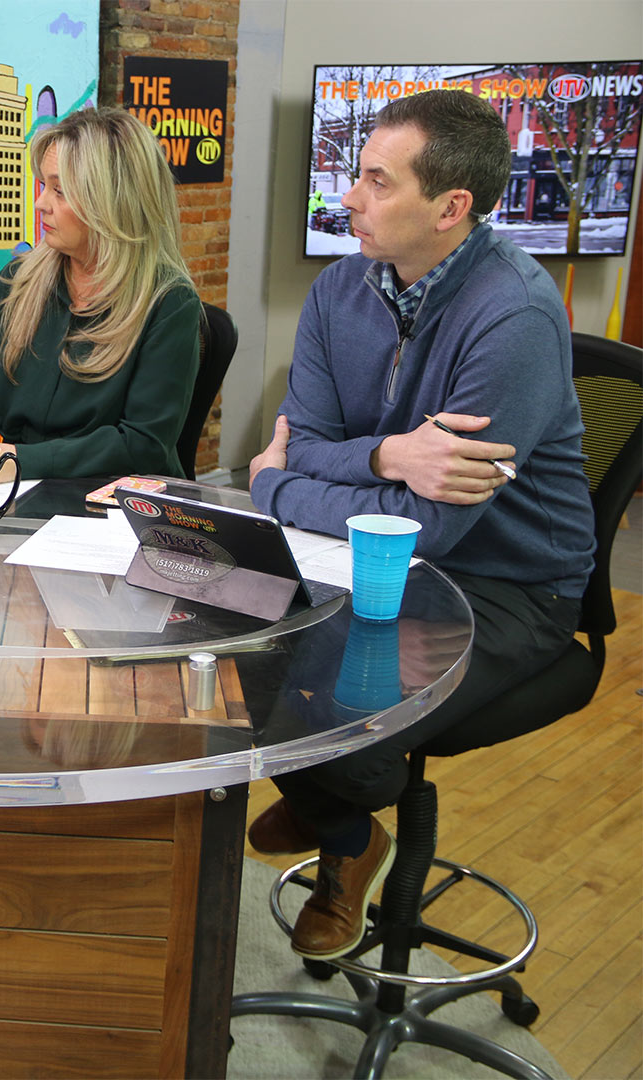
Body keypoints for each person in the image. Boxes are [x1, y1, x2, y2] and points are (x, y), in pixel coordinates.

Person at [247, 90, 594, 961]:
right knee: (227, 637)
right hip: (364, 549)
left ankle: (345, 825)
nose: (348, 199)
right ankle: (340, 803)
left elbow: (421, 533)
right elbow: (316, 447)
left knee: (326, 709)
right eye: (355, 174)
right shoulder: (338, 289)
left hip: (510, 584)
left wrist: (278, 485)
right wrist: (388, 457)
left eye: (375, 180)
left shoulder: (511, 315)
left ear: (450, 208)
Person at [0, 107, 201, 480]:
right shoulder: (16, 281)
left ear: (112, 202)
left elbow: (141, 445)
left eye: (59, 191)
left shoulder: (169, 303)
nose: (40, 203)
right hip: (16, 497)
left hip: (111, 508)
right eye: (44, 186)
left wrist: (18, 462)